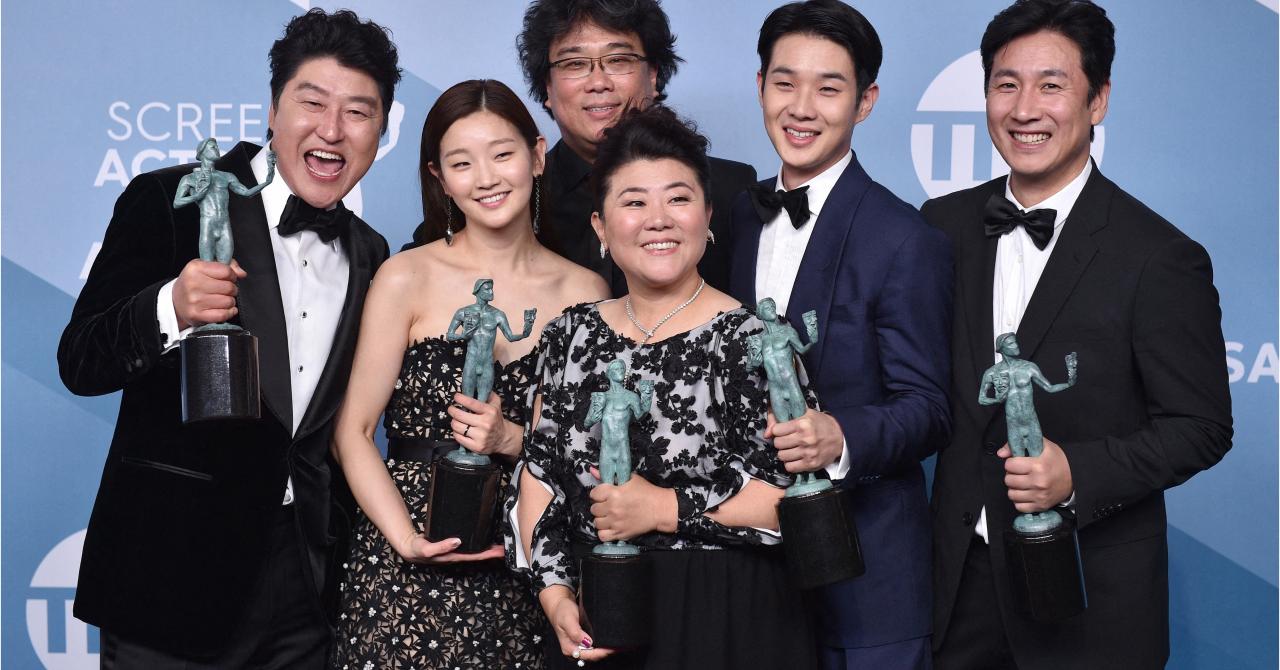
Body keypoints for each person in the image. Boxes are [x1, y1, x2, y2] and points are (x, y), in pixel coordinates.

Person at [58, 8, 399, 667]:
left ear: (380, 131)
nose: (332, 130)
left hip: (308, 588)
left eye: (359, 112)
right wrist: (171, 308)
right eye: (313, 102)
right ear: (273, 109)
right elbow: (81, 360)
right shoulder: (171, 200)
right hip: (171, 575)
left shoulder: (371, 253)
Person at [922, 2, 1232, 668]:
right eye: (1006, 84)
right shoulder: (940, 226)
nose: (1025, 108)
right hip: (956, 585)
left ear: (1098, 101)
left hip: (1094, 597)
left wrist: (1076, 473)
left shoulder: (1159, 255)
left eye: (1051, 85)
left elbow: (1201, 425)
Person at [509, 104, 817, 670]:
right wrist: (553, 592)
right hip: (598, 613)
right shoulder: (568, 335)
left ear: (708, 216)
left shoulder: (753, 340)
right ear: (600, 227)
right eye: (633, 201)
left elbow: (791, 504)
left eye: (678, 198)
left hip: (728, 619)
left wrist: (662, 508)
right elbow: (539, 475)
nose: (658, 219)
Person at [330, 79, 608, 670]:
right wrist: (404, 539)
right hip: (406, 565)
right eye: (461, 162)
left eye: (502, 154)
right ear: (439, 177)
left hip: (533, 563)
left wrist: (513, 439)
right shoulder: (405, 276)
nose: (485, 177)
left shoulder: (585, 291)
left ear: (537, 155)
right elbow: (352, 432)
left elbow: (595, 451)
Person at [727, 2, 954, 668]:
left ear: (865, 101)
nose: (802, 107)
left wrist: (841, 436)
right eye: (784, 82)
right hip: (748, 578)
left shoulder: (905, 238)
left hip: (867, 581)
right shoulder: (734, 219)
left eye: (829, 88)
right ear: (760, 86)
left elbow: (930, 407)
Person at [501, 0, 757, 295]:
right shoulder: (520, 198)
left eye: (618, 60)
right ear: (547, 87)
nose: (598, 82)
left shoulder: (730, 187)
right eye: (575, 64)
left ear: (652, 75)